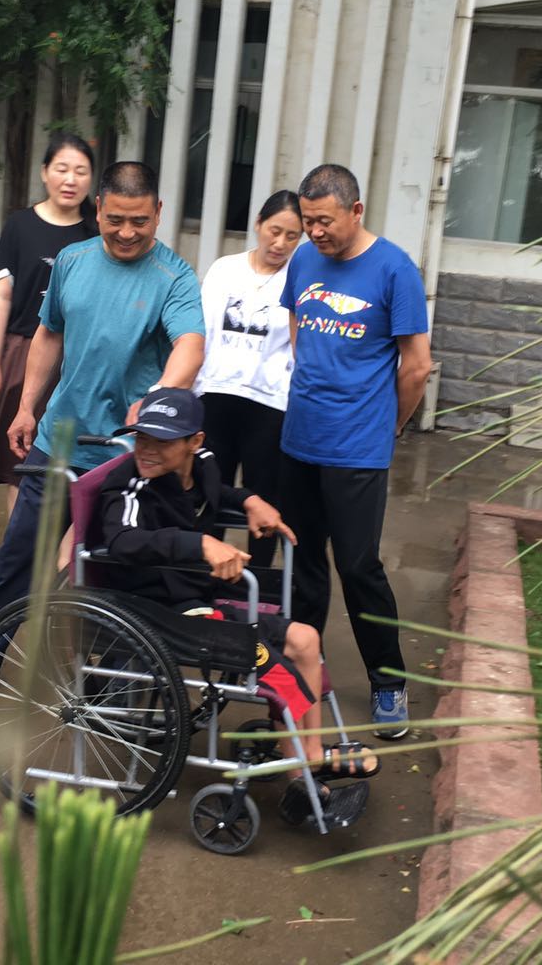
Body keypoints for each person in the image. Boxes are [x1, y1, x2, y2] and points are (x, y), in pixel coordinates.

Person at [0, 161, 206, 683]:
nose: (127, 232)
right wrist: (26, 406)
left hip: (129, 456)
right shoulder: (73, 261)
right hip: (59, 440)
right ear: (98, 209)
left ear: (159, 213)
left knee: (120, 573)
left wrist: (157, 398)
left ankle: (113, 686)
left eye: (140, 221)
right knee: (18, 557)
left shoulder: (176, 277)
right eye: (116, 219)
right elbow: (49, 334)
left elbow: (190, 345)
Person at [96, 388, 379, 818]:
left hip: (199, 596)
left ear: (195, 442)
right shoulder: (130, 485)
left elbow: (218, 492)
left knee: (306, 638)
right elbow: (122, 540)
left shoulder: (204, 464)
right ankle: (303, 777)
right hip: (163, 611)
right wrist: (199, 544)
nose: (147, 450)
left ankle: (310, 757)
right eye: (142, 438)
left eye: (162, 440)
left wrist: (250, 500)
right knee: (277, 668)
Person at [279, 163, 433, 741]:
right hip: (300, 438)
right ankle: (303, 672)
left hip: (357, 447)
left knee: (358, 566)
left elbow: (416, 366)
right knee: (303, 564)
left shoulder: (395, 269)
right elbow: (298, 327)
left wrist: (388, 427)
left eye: (325, 220)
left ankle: (388, 682)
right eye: (308, 220)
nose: (315, 231)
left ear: (356, 211)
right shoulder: (304, 260)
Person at [0, 133, 99, 513]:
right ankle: (20, 544)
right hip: (23, 352)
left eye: (81, 171)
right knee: (20, 461)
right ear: (45, 172)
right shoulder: (20, 226)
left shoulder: (95, 233)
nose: (70, 179)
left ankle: (61, 548)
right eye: (62, 169)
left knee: (69, 464)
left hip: (76, 361)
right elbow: (2, 295)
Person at [193, 190, 302, 567]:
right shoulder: (225, 269)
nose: (280, 243)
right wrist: (193, 390)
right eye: (274, 231)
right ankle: (206, 576)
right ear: (258, 224)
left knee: (265, 498)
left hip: (269, 405)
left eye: (292, 236)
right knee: (210, 490)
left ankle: (260, 584)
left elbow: (296, 347)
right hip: (215, 397)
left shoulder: (298, 280)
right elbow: (203, 330)